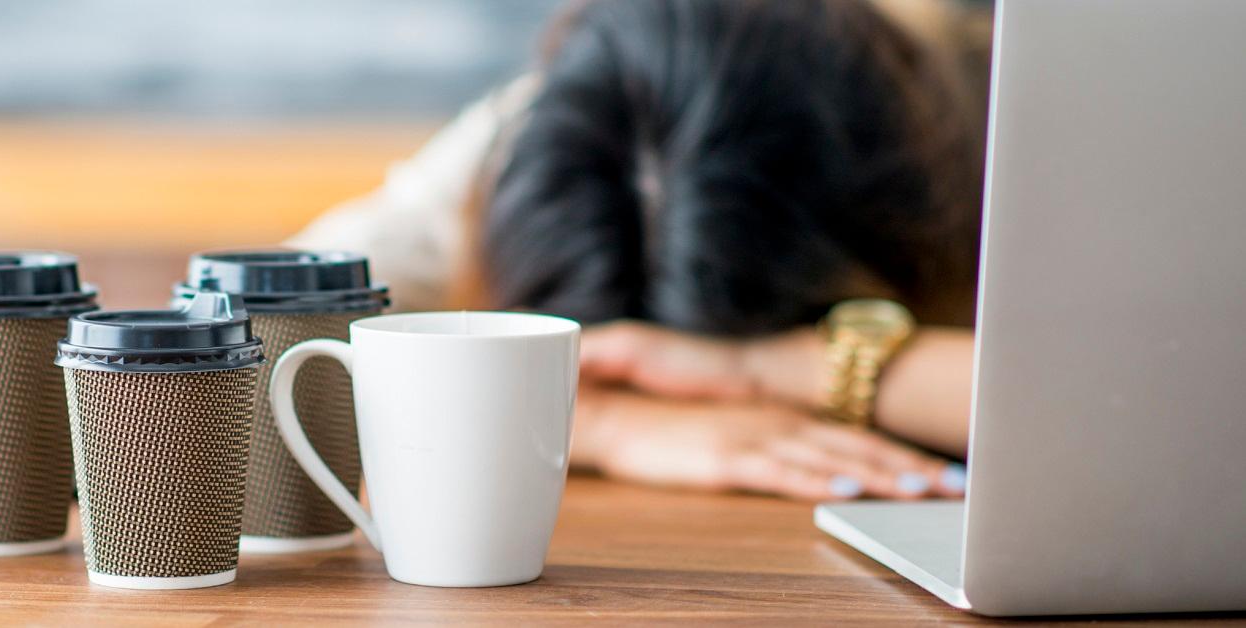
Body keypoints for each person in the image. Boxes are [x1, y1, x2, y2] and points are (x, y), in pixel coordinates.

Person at [289, 0, 991, 501]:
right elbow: (232, 364)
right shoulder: (551, 133)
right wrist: (598, 422)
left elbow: (1099, 410)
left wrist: (774, 367)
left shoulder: (1010, 93)